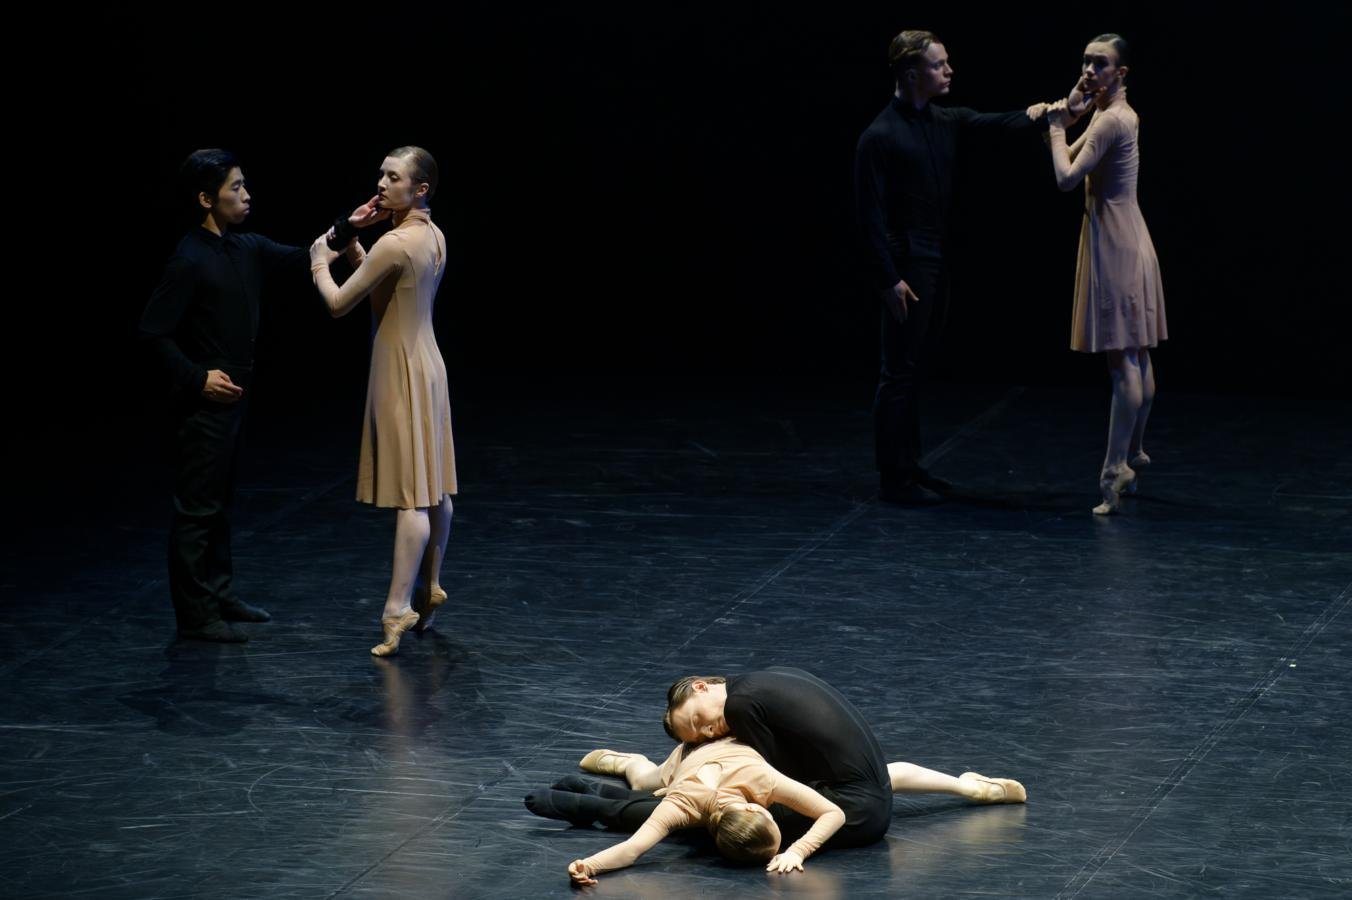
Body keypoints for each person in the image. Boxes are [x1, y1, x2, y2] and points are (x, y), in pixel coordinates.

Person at [856, 30, 1050, 505]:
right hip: (907, 263)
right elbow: (868, 217)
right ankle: (893, 476)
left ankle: (909, 464)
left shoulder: (943, 120)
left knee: (915, 366)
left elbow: (995, 123)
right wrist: (888, 279)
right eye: (939, 64)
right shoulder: (880, 136)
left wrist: (1053, 112)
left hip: (934, 258)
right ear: (911, 74)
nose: (949, 70)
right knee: (898, 370)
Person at [140, 149, 307, 642]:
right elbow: (152, 333)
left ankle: (220, 592)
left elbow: (303, 257)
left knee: (220, 501)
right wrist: (197, 379)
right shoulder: (189, 258)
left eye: (244, 184)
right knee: (197, 508)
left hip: (236, 396)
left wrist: (351, 226)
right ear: (206, 199)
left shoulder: (244, 246)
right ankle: (196, 616)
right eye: (236, 187)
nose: (246, 194)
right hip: (203, 403)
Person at [309, 146, 456, 656]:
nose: (382, 184)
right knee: (435, 487)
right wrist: (355, 242)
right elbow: (385, 284)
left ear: (420, 189)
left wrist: (318, 262)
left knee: (410, 494)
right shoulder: (432, 235)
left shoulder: (395, 243)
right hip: (429, 363)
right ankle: (430, 584)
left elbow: (338, 303)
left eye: (394, 178)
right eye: (381, 175)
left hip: (400, 368)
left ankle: (397, 607)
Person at [1042, 34, 1166, 514]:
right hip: (1129, 235)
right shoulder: (1113, 113)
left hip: (1115, 244)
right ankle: (1133, 451)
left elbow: (1065, 177)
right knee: (1137, 353)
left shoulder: (1112, 119)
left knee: (1124, 362)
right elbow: (1076, 148)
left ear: (1121, 73)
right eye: (1086, 62)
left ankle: (1114, 469)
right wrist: (1065, 117)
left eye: (1100, 64)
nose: (1089, 70)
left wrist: (1057, 127)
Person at [535, 736, 847, 885]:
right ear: (755, 807)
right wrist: (799, 851)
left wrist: (590, 865)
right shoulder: (760, 779)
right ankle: (629, 762)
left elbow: (633, 849)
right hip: (693, 749)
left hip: (711, 751)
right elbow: (835, 813)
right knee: (642, 782)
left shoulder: (683, 805)